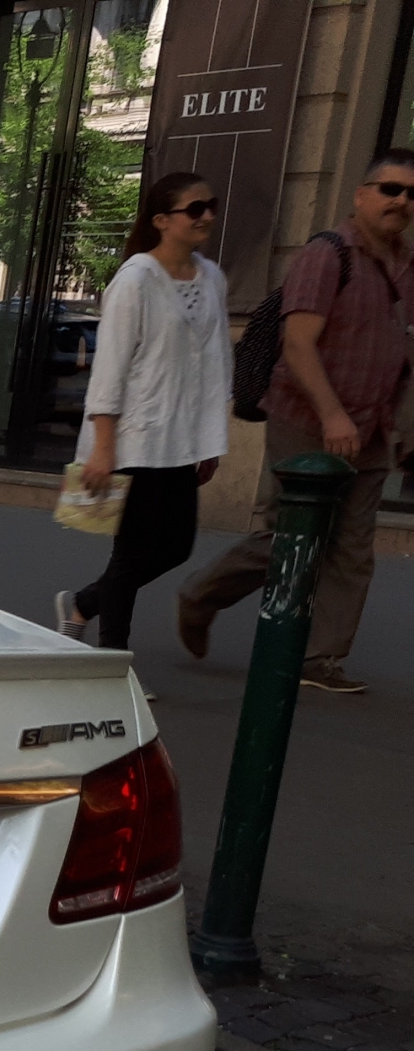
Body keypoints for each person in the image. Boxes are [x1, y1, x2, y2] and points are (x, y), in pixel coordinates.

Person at [176, 148, 414, 693]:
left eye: (411, 194)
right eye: (390, 189)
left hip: (373, 428)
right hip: (309, 420)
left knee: (352, 547)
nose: (401, 201)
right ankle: (200, 594)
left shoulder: (408, 266)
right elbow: (298, 343)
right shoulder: (329, 255)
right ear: (362, 195)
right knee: (293, 536)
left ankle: (320, 660)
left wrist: (402, 428)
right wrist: (332, 414)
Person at [57, 172, 230, 650]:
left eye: (210, 205)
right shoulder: (135, 280)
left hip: (180, 442)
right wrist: (104, 450)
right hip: (135, 439)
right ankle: (113, 661)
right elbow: (109, 371)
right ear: (161, 220)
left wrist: (209, 442)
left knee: (176, 548)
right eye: (195, 209)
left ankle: (84, 604)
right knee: (131, 557)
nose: (207, 216)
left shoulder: (212, 278)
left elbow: (216, 366)